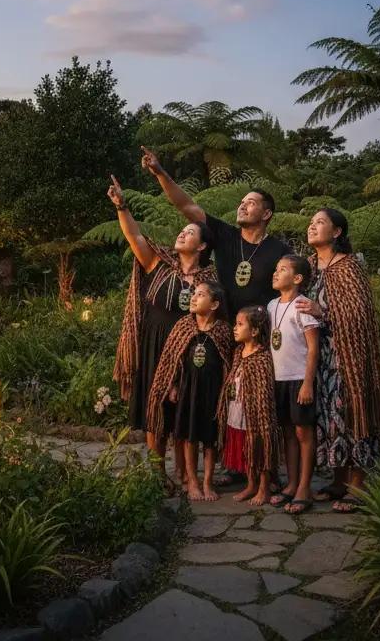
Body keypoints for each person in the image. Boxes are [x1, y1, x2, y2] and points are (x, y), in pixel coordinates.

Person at [141, 146, 291, 487]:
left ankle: (268, 468)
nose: (243, 205)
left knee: (264, 405)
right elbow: (185, 205)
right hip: (225, 332)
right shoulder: (224, 235)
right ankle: (236, 464)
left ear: (266, 214)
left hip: (262, 336)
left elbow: (294, 282)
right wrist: (160, 172)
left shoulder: (280, 249)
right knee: (227, 402)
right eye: (243, 201)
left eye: (251, 202)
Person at [109, 175, 216, 494]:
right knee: (155, 412)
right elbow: (134, 236)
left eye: (190, 232)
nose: (183, 233)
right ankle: (158, 473)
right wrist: (121, 206)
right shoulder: (159, 263)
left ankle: (186, 474)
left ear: (202, 246)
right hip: (154, 345)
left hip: (186, 350)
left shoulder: (208, 280)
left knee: (182, 411)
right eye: (183, 231)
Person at [296, 207, 380, 513]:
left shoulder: (348, 268)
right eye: (311, 223)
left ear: (336, 232)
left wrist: (323, 313)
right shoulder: (309, 267)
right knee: (327, 417)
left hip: (346, 355)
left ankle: (358, 485)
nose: (312, 227)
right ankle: (338, 480)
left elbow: (360, 315)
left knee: (351, 413)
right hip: (317, 357)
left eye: (319, 223)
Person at [146, 281, 233, 501]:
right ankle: (192, 480)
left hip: (213, 392)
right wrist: (173, 385)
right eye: (194, 294)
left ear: (214, 304)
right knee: (189, 436)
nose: (193, 298)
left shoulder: (223, 330)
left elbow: (230, 363)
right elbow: (171, 360)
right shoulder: (183, 326)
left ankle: (208, 481)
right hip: (188, 390)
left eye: (200, 295)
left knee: (211, 438)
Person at [267, 254, 320, 514]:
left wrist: (308, 383)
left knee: (303, 432)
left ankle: (304, 488)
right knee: (288, 431)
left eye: (282, 269)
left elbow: (312, 349)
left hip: (299, 379)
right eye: (276, 269)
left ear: (297, 278)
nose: (275, 273)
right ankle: (292, 483)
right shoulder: (271, 306)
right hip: (278, 379)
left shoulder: (303, 306)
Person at [216, 305, 280, 506]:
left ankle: (263, 487)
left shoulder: (262, 357)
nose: (235, 328)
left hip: (257, 415)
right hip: (238, 408)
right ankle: (251, 484)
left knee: (259, 446)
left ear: (254, 331)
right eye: (235, 323)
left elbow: (264, 392)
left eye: (240, 324)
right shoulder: (238, 352)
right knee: (246, 448)